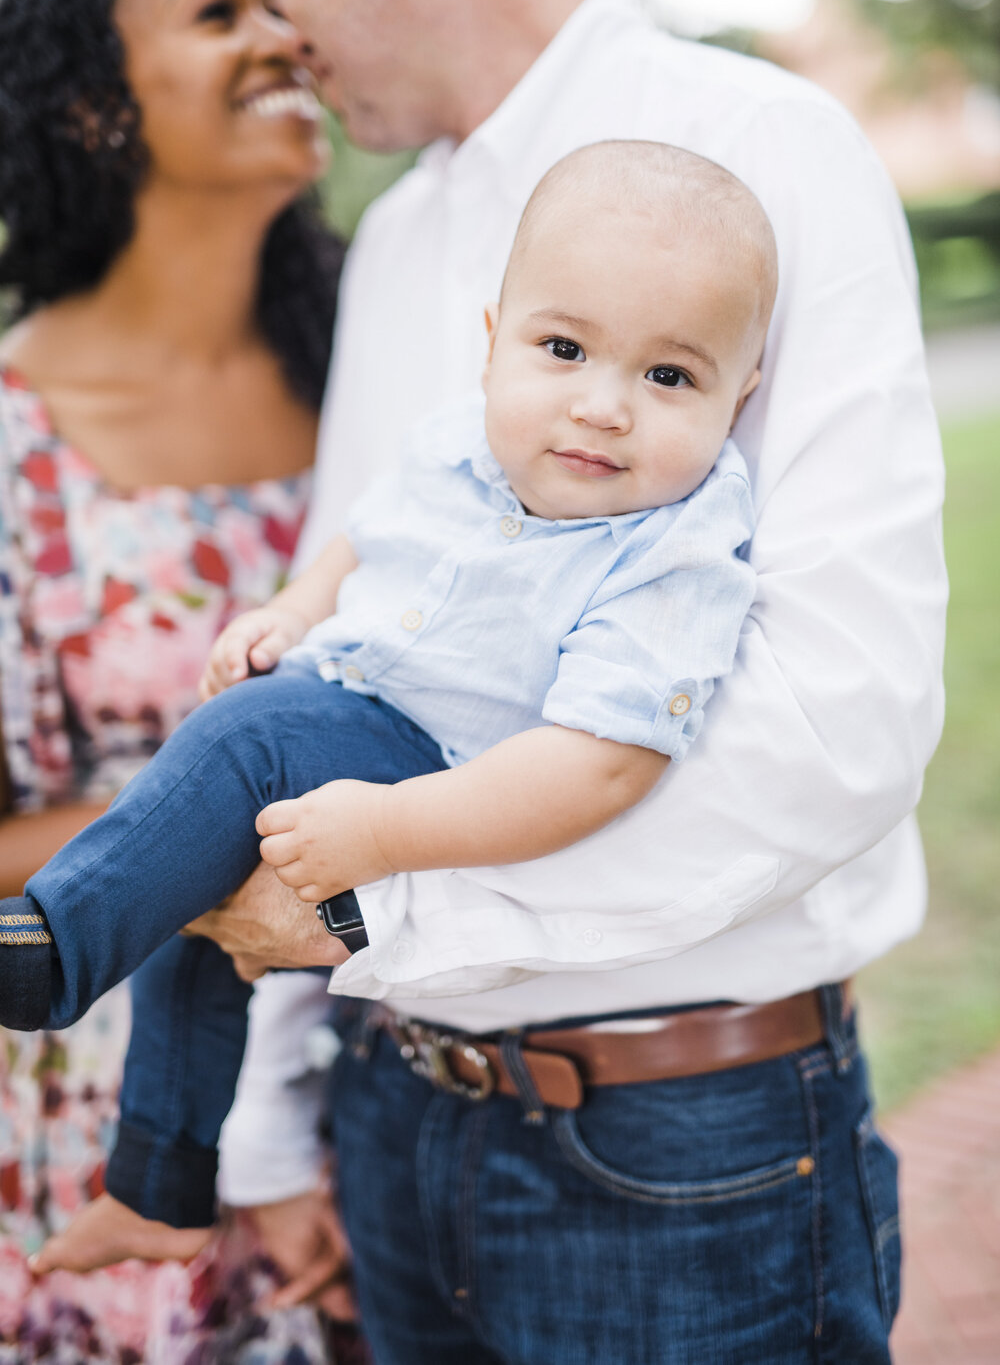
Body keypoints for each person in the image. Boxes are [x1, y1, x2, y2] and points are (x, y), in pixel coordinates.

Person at [36, 0, 948, 1362]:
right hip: (389, 1126)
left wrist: (376, 903)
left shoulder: (766, 148)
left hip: (675, 1160)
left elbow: (835, 731)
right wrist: (270, 1140)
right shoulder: (396, 242)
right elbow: (352, 650)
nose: (282, 12)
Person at [3, 143, 773, 1182]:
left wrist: (381, 830)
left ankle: (51, 951)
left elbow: (603, 765)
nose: (603, 404)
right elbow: (364, 540)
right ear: (495, 343)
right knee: (194, 914)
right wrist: (289, 611)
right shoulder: (461, 441)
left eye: (669, 374)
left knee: (244, 735)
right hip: (351, 700)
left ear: (740, 395)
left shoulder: (675, 546)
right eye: (562, 350)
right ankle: (161, 1169)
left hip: (445, 775)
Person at [0, 0, 353, 1365]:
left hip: (378, 1083)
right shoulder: (16, 439)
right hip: (99, 1107)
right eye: (219, 12)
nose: (285, 37)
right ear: (93, 101)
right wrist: (215, 838)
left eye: (278, 3)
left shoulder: (370, 368)